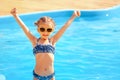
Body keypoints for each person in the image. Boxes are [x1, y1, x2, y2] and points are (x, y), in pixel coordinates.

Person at [10, 8, 80, 80]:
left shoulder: (52, 41)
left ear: (52, 30)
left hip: (51, 76)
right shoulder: (34, 41)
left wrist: (73, 16)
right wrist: (16, 16)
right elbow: (24, 28)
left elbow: (64, 27)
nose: (45, 32)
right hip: (37, 76)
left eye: (49, 30)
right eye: (42, 29)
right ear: (38, 29)